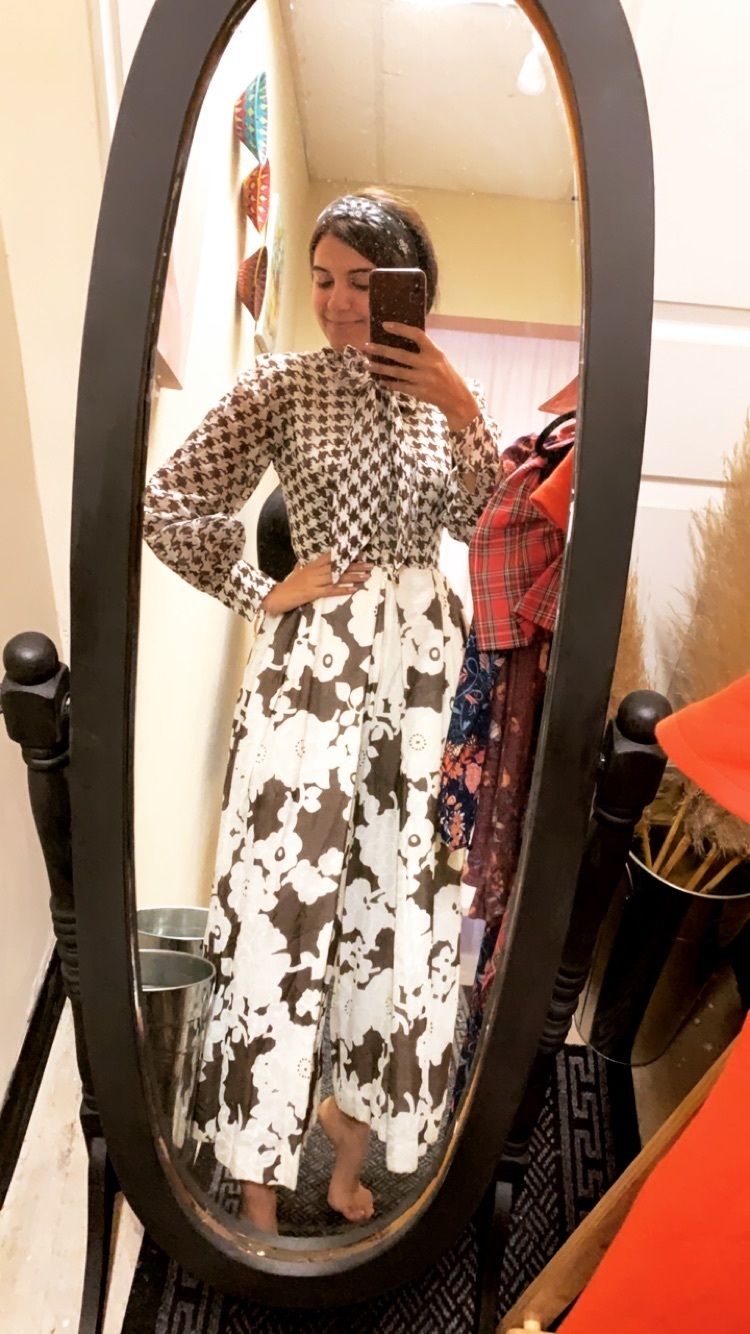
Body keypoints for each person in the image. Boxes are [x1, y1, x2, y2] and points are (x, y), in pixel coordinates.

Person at [143, 188, 504, 1234]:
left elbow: (486, 524)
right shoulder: (284, 384)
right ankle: (257, 1191)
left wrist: (464, 410)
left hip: (419, 685)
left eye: (365, 282)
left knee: (393, 913)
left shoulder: (446, 399)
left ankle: (349, 1150)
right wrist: (265, 588)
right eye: (324, 280)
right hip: (314, 674)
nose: (342, 303)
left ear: (411, 292)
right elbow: (168, 503)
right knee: (283, 908)